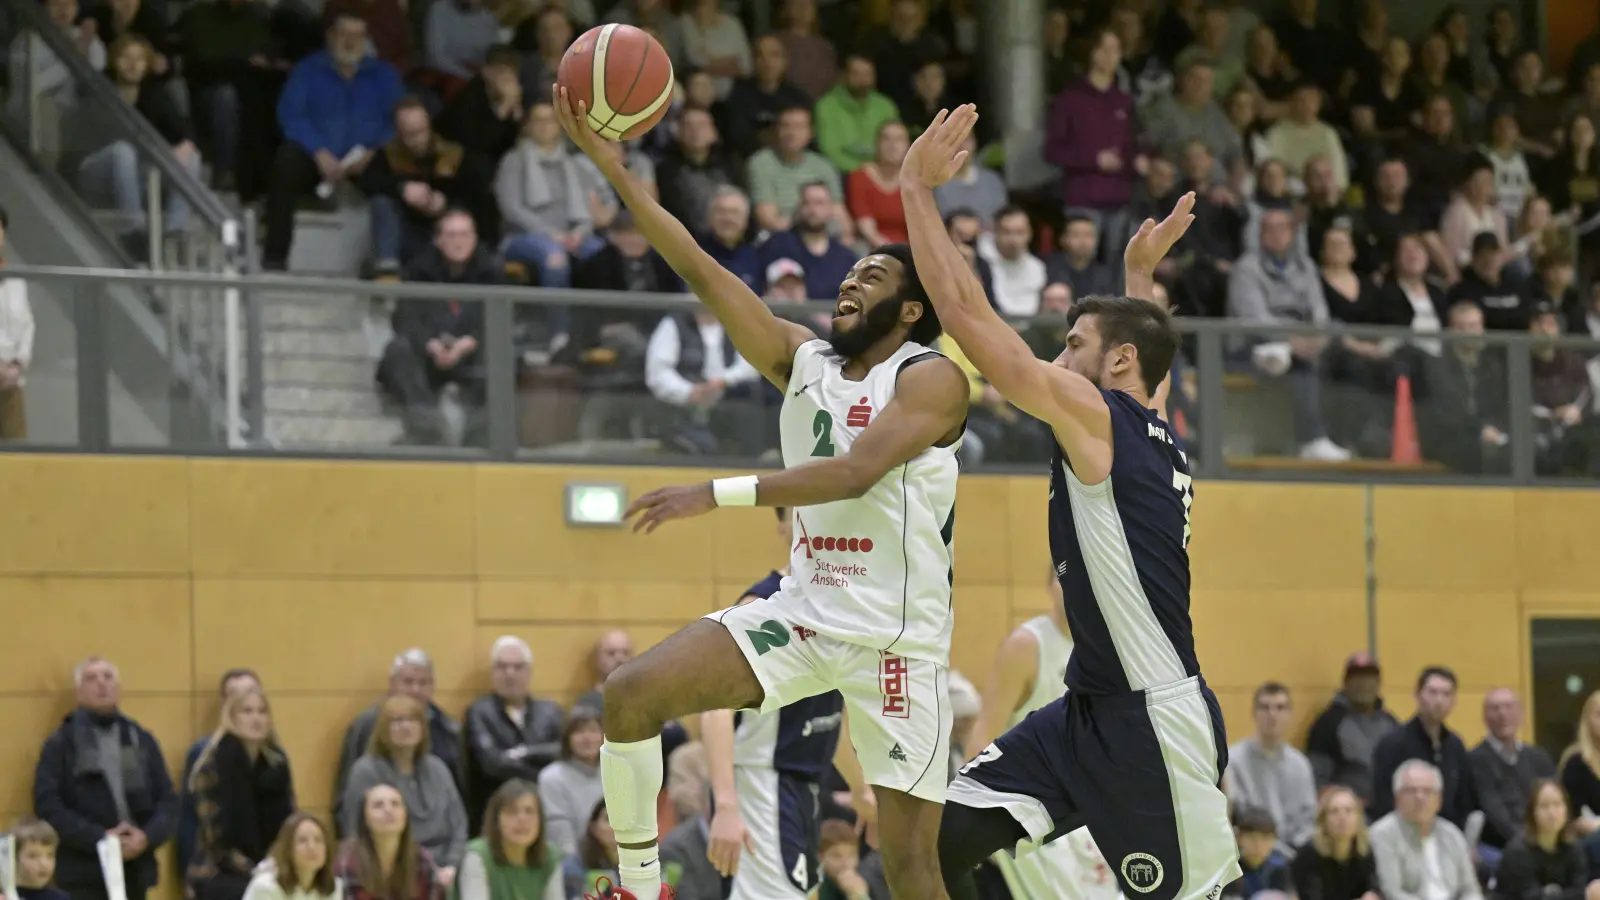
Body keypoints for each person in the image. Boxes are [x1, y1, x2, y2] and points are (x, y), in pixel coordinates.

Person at [552, 84, 970, 900]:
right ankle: (639, 886)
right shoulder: (800, 360)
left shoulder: (930, 380)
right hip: (806, 612)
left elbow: (855, 472)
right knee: (630, 693)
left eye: (874, 276)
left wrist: (716, 492)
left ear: (911, 309)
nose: (851, 282)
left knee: (917, 864)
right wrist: (617, 171)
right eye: (849, 271)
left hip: (897, 642)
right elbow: (699, 269)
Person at [897, 105, 1237, 900]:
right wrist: (1139, 281)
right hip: (1086, 712)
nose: (1054, 360)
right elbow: (1140, 360)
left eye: (1071, 347)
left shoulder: (1103, 417)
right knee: (933, 848)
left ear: (1114, 361)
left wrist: (915, 190)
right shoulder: (1145, 423)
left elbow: (971, 321)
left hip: (1156, 726)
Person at [701, 507, 846, 900]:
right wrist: (727, 806)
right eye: (799, 513)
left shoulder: (841, 602)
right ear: (783, 526)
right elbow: (714, 709)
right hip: (762, 782)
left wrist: (866, 791)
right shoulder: (761, 604)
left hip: (806, 787)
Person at [963, 571, 1117, 900]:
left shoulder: (1102, 648)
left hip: (1084, 806)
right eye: (1064, 577)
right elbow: (984, 730)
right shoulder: (1027, 645)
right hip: (1028, 803)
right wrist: (971, 816)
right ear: (1049, 585)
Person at [187, 690, 296, 900]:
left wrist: (275, 865)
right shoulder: (212, 764)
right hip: (217, 871)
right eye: (247, 711)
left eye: (262, 712)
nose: (256, 718)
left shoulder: (277, 764)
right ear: (232, 717)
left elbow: (290, 824)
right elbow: (216, 841)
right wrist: (257, 872)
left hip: (270, 868)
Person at [453, 780, 562, 900]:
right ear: (496, 820)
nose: (522, 819)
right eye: (512, 812)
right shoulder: (477, 856)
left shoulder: (550, 857)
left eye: (529, 811)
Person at [1495, 780, 1600, 900]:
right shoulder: (1518, 852)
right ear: (1532, 812)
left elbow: (1579, 889)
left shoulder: (1573, 847)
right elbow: (1531, 897)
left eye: (1557, 804)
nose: (1552, 812)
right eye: (1544, 806)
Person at [1289, 786, 1380, 900]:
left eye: (1349, 810)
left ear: (1359, 818)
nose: (1342, 818)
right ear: (1323, 820)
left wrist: (1372, 895)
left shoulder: (1364, 851)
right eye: (1334, 811)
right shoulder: (1308, 854)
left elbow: (1374, 887)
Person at [241, 814, 343, 900]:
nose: (312, 847)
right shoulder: (265, 887)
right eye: (302, 840)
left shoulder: (335, 887)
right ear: (288, 850)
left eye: (318, 840)